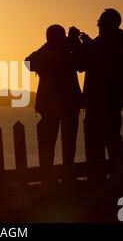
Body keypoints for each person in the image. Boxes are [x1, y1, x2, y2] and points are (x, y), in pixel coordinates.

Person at [69, 8, 123, 182]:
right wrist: (87, 44)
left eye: (101, 21)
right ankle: (119, 176)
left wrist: (78, 44)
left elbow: (82, 64)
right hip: (114, 99)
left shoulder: (107, 43)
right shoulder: (122, 41)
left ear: (108, 24)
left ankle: (100, 177)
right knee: (112, 137)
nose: (98, 24)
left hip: (99, 99)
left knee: (99, 139)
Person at [25, 25, 82, 178]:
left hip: (50, 104)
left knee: (49, 143)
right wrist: (72, 42)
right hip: (68, 103)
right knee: (68, 143)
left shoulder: (45, 53)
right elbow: (81, 63)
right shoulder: (67, 52)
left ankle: (48, 177)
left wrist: (50, 48)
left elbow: (28, 63)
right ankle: (67, 176)